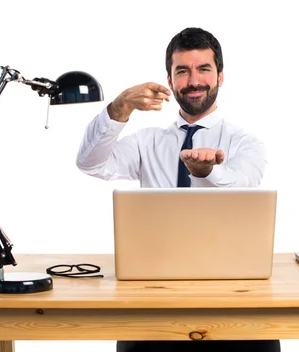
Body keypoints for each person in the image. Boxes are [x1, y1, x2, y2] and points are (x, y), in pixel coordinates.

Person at [76, 27, 279, 352]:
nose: (193, 80)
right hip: (154, 300)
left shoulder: (245, 143)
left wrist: (207, 172)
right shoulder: (148, 142)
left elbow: (244, 183)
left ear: (221, 77)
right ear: (169, 80)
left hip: (233, 300)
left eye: (204, 69)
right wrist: (120, 107)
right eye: (182, 71)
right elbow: (89, 162)